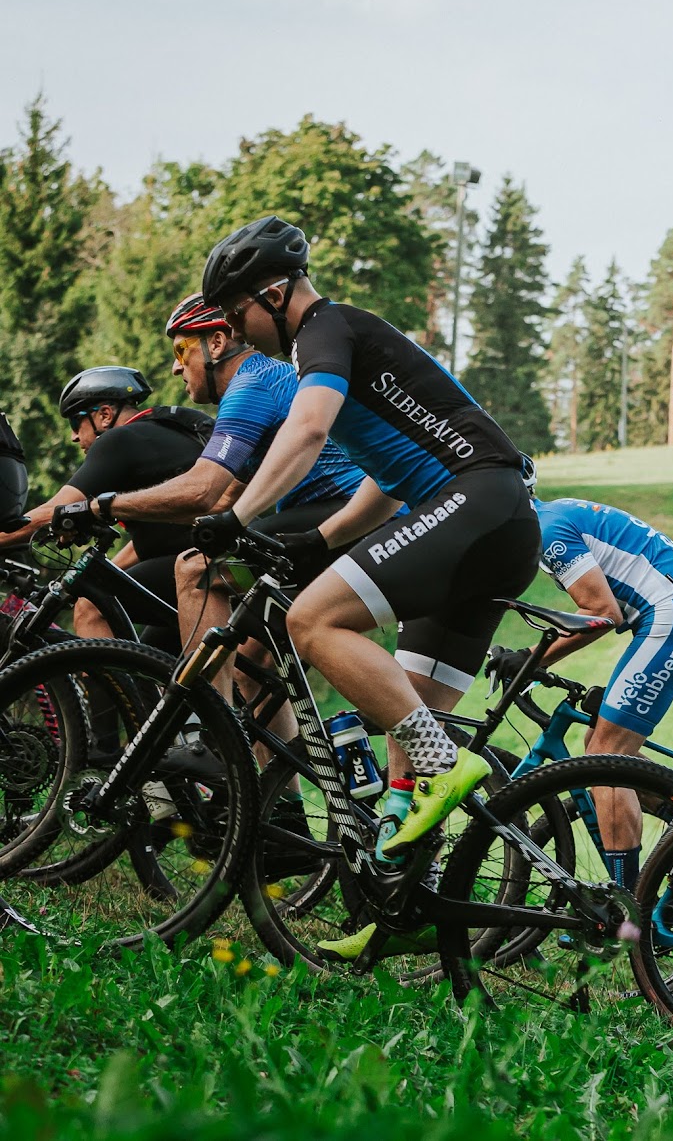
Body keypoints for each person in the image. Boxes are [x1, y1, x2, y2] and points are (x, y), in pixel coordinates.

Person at [189, 216, 538, 886]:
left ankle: (448, 761)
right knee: (403, 722)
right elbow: (387, 478)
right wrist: (315, 539)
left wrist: (237, 514)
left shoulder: (323, 330)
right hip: (496, 521)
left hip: (478, 504)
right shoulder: (343, 340)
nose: (234, 333)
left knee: (312, 621)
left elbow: (308, 428)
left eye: (236, 315)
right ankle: (405, 903)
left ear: (270, 294)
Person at [62, 296, 370, 699]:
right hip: (345, 514)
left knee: (195, 570)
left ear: (218, 343)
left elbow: (202, 490)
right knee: (252, 662)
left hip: (338, 510)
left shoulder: (249, 386)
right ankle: (266, 760)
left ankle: (211, 717)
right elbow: (225, 500)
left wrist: (100, 506)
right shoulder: (267, 379)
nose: (176, 366)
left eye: (181, 349)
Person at [483, 491, 673, 887]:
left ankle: (627, 902)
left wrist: (531, 658)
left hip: (671, 620)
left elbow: (602, 612)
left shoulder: (548, 531)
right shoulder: (556, 514)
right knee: (599, 738)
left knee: (606, 757)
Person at [0, 366, 213, 643]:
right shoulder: (160, 434)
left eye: (75, 423)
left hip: (199, 564)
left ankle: (104, 689)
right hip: (211, 557)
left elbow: (48, 515)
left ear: (104, 415)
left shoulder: (118, 440)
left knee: (91, 607)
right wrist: (74, 580)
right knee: (156, 667)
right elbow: (156, 537)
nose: (74, 437)